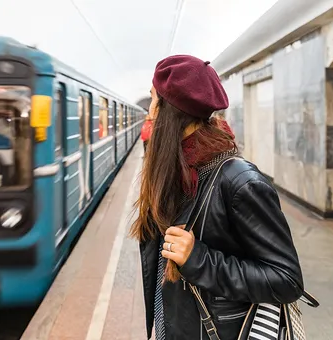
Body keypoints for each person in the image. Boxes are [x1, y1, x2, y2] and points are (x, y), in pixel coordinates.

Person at [130, 55, 303, 340]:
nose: (149, 112)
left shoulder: (239, 182)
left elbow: (287, 280)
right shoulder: (177, 173)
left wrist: (199, 259)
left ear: (171, 110)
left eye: (153, 100)